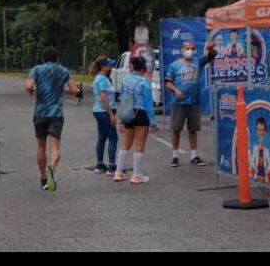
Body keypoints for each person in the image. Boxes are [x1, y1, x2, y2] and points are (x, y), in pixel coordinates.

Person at [25, 47, 79, 192]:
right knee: (55, 148)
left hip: (40, 113)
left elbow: (29, 86)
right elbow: (74, 91)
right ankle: (52, 167)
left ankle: (43, 178)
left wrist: (32, 91)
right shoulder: (63, 71)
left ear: (43, 58)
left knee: (41, 146)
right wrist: (62, 90)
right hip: (56, 114)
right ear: (57, 58)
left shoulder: (37, 69)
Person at [164, 39, 217, 166]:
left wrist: (210, 48)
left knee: (193, 129)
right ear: (182, 50)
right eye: (188, 49)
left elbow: (212, 55)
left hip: (194, 101)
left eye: (192, 49)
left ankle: (194, 156)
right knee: (176, 129)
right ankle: (175, 156)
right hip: (179, 102)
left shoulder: (197, 61)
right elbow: (167, 82)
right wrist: (175, 90)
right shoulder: (174, 65)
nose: (190, 51)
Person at [113, 56, 157, 184]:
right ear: (144, 68)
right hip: (141, 113)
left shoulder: (125, 80)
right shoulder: (145, 82)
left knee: (125, 143)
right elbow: (148, 104)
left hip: (127, 112)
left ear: (132, 66)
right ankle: (137, 175)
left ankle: (118, 172)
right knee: (139, 144)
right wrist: (152, 122)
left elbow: (122, 100)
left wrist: (120, 119)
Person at [91, 56, 119, 175]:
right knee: (113, 137)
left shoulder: (102, 78)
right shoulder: (102, 79)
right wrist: (111, 114)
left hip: (99, 111)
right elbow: (104, 97)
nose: (111, 66)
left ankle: (100, 164)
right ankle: (112, 167)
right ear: (103, 67)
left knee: (102, 137)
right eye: (108, 64)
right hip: (104, 111)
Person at [250, 117, 270, 182]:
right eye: (259, 130)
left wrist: (265, 172)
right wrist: (257, 171)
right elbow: (252, 161)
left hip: (264, 178)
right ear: (256, 131)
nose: (261, 132)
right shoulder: (254, 148)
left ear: (265, 132)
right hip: (256, 176)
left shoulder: (267, 150)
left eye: (263, 130)